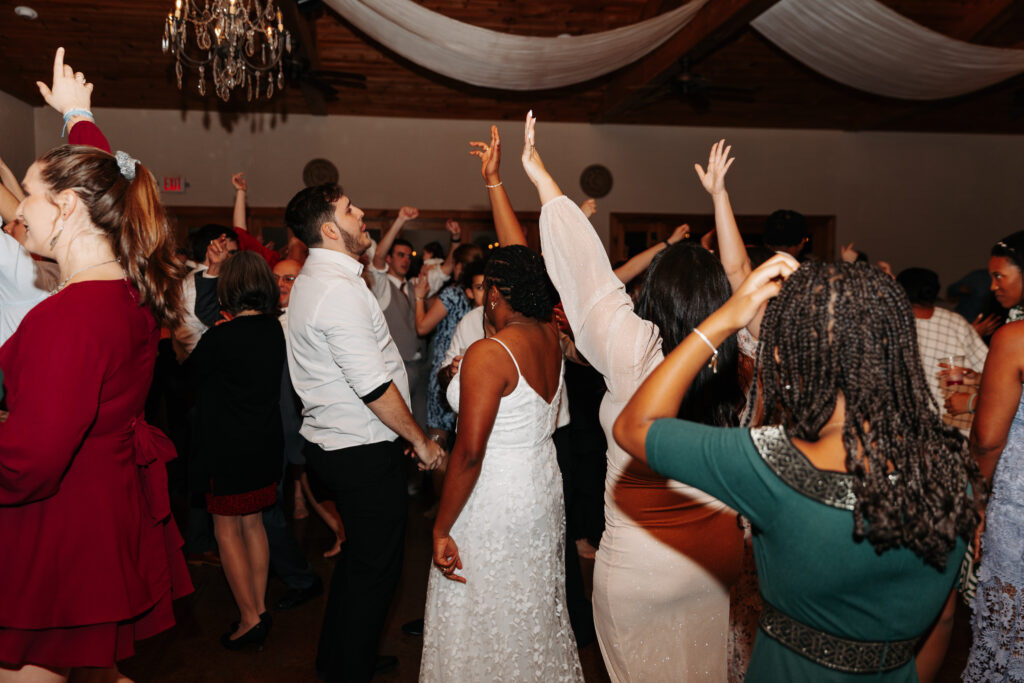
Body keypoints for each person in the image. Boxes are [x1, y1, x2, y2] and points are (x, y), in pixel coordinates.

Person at [613, 255, 980, 681]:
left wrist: (724, 321)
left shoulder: (772, 465)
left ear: (792, 358)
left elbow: (635, 426)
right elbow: (946, 621)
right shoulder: (948, 471)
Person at [524, 116, 749, 681]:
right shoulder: (735, 357)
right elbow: (740, 276)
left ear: (652, 295)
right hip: (710, 560)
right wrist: (721, 198)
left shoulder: (634, 351)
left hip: (639, 561)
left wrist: (544, 179)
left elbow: (587, 273)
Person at [0, 47, 191, 680]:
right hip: (102, 511)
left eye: (27, 195)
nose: (17, 209)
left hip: (58, 525)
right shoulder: (130, 292)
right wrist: (78, 117)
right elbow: (110, 185)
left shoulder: (68, 318)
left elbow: (29, 461)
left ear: (69, 208)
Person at [284, 183, 443, 682]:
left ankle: (343, 656)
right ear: (330, 229)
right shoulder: (334, 289)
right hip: (360, 448)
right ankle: (347, 669)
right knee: (375, 572)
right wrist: (420, 441)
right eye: (350, 210)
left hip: (340, 444)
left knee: (359, 567)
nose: (361, 214)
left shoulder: (326, 278)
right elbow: (373, 386)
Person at [421, 245, 584, 682]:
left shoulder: (489, 353)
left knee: (484, 606)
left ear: (494, 294)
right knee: (528, 604)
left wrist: (440, 528)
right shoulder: (550, 335)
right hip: (541, 486)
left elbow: (470, 453)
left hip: (494, 495)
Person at [187, 251, 285, 650]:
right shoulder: (274, 330)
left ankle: (248, 617)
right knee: (254, 524)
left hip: (226, 446)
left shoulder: (220, 337)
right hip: (264, 442)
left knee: (226, 527)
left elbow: (184, 381)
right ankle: (258, 608)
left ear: (229, 288)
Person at [962, 230, 1024, 682]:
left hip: (1019, 509)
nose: (993, 286)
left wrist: (976, 501)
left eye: (1000, 276)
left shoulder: (1014, 339)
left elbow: (986, 439)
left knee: (1011, 636)